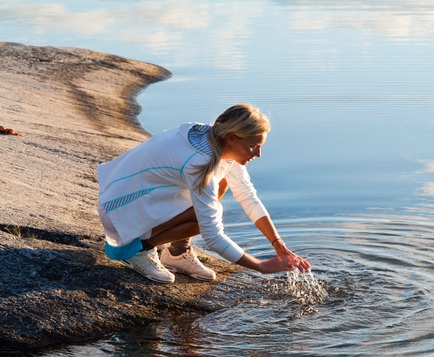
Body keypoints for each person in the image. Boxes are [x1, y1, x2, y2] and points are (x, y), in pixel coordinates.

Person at [96, 103, 311, 283]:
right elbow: (213, 235)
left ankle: (177, 253)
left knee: (222, 184)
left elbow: (247, 197)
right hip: (120, 213)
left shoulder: (217, 140)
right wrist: (262, 266)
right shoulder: (199, 162)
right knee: (207, 216)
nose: (258, 154)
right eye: (253, 146)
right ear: (232, 137)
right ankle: (138, 250)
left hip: (141, 200)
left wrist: (279, 244)